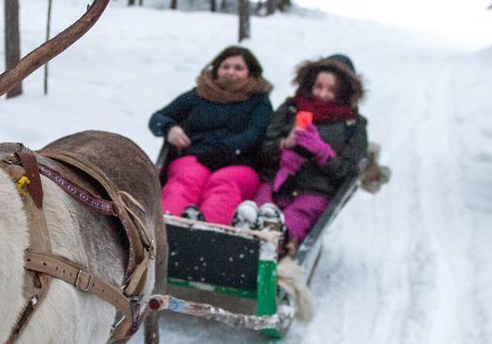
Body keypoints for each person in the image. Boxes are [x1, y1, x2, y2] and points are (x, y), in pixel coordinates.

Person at [246, 54, 368, 246]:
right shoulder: (291, 109)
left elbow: (348, 171)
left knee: (291, 224)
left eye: (331, 90)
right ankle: (244, 240)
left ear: (343, 93)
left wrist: (322, 153)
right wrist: (283, 145)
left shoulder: (353, 125)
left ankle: (277, 245)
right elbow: (263, 148)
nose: (322, 94)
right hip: (276, 183)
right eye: (319, 86)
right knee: (257, 213)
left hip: (315, 191)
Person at [149, 46, 274, 224]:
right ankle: (167, 227)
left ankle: (209, 232)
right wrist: (170, 128)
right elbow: (158, 118)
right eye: (225, 66)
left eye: (238, 68)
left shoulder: (259, 101)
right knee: (186, 180)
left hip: (239, 163)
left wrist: (225, 150)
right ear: (216, 69)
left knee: (223, 184)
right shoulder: (199, 94)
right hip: (196, 157)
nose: (230, 72)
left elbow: (255, 133)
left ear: (250, 72)